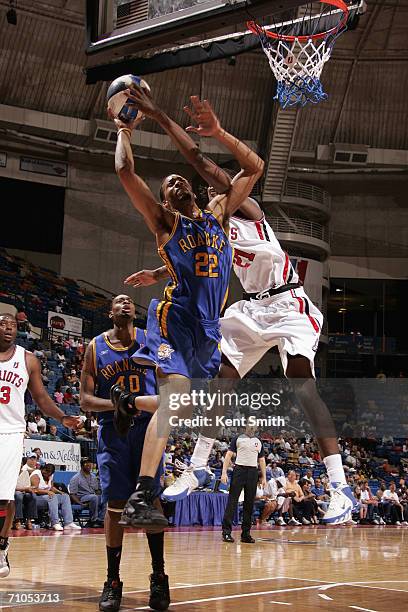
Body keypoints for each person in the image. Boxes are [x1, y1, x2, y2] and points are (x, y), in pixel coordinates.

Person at [125, 97, 356, 525]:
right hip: (251, 310)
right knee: (222, 382)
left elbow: (203, 163)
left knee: (302, 385)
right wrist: (158, 274)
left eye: (214, 186)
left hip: (289, 302)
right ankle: (197, 467)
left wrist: (184, 123)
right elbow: (193, 260)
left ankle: (340, 487)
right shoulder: (208, 231)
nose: (213, 187)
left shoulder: (241, 208)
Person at [109, 87, 264, 529]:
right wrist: (125, 130)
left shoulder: (218, 213)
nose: (173, 181)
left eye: (179, 179)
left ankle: (127, 401)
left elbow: (254, 167)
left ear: (193, 188)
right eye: (165, 184)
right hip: (174, 320)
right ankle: (143, 492)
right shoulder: (164, 221)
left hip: (209, 330)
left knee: (190, 408)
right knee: (175, 401)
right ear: (164, 199)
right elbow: (124, 172)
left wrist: (217, 133)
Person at [80, 294, 170, 611]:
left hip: (147, 428)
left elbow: (169, 385)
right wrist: (117, 406)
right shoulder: (95, 347)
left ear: (135, 311)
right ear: (110, 312)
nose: (125, 304)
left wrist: (133, 405)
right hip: (113, 431)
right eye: (118, 301)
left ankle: (159, 575)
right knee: (116, 503)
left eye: (130, 301)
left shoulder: (152, 339)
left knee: (151, 497)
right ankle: (113, 580)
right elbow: (86, 401)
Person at [0, 313, 81, 578]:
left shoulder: (28, 359)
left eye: (12, 325)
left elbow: (42, 398)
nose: (8, 328)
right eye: (2, 324)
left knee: (4, 495)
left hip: (10, 432)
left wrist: (62, 417)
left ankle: (1, 546)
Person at [220, 426, 266, 543]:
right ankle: (226, 532)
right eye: (250, 424)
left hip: (253, 472)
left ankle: (246, 534)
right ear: (246, 426)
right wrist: (224, 472)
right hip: (239, 470)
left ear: (256, 428)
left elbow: (261, 460)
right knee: (232, 501)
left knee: (249, 504)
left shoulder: (258, 441)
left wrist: (264, 477)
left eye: (254, 425)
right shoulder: (237, 438)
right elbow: (229, 455)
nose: (251, 427)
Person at [31, 463, 80, 531]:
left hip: (47, 497)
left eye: (49, 474)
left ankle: (68, 523)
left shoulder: (50, 476)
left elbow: (51, 488)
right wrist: (47, 492)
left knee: (65, 497)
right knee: (52, 496)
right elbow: (35, 490)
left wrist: (60, 492)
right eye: (46, 472)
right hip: (35, 499)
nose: (47, 474)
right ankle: (55, 523)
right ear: (43, 470)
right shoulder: (36, 475)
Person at [69, 457, 105, 528]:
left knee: (105, 498)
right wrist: (80, 503)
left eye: (90, 463)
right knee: (94, 497)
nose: (89, 465)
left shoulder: (93, 476)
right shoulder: (76, 478)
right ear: (82, 465)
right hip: (81, 498)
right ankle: (93, 521)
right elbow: (72, 494)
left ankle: (100, 520)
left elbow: (97, 490)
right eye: (86, 463)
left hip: (92, 496)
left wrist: (102, 495)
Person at [14, 460, 37, 530]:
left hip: (24, 491)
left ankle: (29, 520)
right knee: (18, 495)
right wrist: (24, 489)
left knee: (32, 496)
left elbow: (28, 486)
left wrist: (25, 489)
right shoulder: (10, 473)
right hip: (14, 492)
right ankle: (17, 520)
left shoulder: (25, 473)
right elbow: (12, 487)